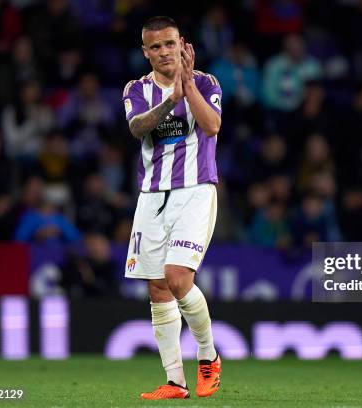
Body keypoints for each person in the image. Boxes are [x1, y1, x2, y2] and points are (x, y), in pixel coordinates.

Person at [121, 16, 222, 400]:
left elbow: (211, 126)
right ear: (145, 52)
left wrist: (188, 86)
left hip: (196, 190)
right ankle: (175, 382)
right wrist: (171, 101)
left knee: (178, 277)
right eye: (155, 47)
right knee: (158, 288)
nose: (164, 52)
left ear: (182, 44)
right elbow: (136, 127)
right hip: (151, 195)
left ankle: (209, 357)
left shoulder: (208, 82)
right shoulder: (136, 89)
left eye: (169, 44)